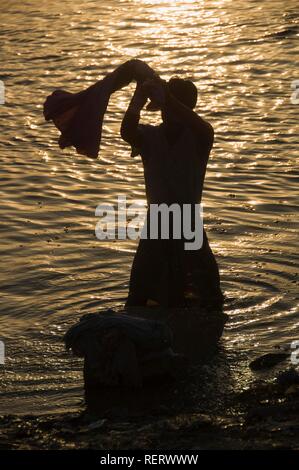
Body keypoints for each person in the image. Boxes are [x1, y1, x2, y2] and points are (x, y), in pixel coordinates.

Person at [121, 76, 223, 309]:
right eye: (164, 106)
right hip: (156, 225)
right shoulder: (149, 136)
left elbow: (198, 124)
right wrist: (137, 100)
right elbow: (126, 132)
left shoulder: (200, 136)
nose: (167, 112)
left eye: (173, 105)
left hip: (188, 224)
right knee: (141, 297)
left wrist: (167, 98)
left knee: (206, 299)